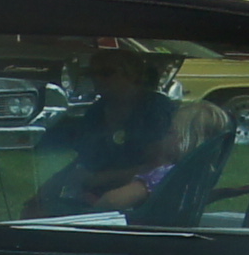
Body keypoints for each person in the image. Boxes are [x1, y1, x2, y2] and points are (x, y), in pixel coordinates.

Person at [27, 44, 188, 215]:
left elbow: (159, 166)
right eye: (91, 73)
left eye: (106, 73)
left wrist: (100, 179)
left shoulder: (156, 109)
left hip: (142, 201)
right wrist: (45, 191)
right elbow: (82, 162)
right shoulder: (96, 112)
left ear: (132, 75)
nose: (97, 79)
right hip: (94, 198)